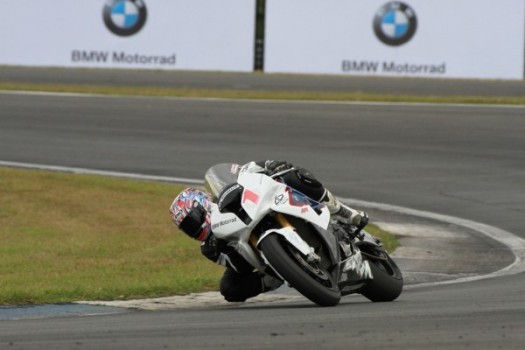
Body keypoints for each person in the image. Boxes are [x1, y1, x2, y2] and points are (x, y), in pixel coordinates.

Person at [169, 160, 369, 302]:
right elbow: (240, 268)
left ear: (203, 203)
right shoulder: (209, 248)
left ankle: (345, 212)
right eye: (187, 228)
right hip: (250, 247)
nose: (193, 228)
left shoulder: (224, 191)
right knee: (229, 290)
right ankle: (279, 275)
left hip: (266, 205)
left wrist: (270, 166)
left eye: (192, 219)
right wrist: (225, 249)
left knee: (296, 176)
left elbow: (249, 169)